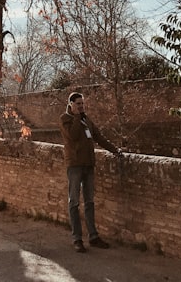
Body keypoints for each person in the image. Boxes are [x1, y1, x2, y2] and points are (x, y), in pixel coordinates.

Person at [59, 92, 122, 253]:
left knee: (90, 202)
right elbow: (72, 136)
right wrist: (75, 117)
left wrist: (115, 150)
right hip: (74, 166)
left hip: (88, 165)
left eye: (82, 104)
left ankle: (93, 236)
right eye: (78, 104)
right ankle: (77, 239)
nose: (81, 106)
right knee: (74, 202)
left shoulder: (86, 120)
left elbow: (98, 137)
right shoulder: (65, 119)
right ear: (71, 104)